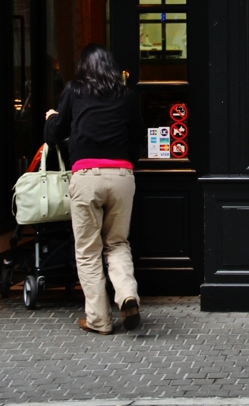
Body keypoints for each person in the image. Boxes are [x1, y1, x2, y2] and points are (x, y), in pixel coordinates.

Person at [44, 44, 143, 334]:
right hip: (122, 175)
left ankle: (99, 320)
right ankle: (127, 295)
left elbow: (54, 134)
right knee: (117, 243)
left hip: (86, 175)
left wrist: (51, 117)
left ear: (83, 66)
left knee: (88, 251)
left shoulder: (74, 91)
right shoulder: (126, 96)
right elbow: (138, 135)